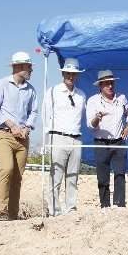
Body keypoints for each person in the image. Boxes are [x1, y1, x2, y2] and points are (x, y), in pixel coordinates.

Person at [0, 51, 38, 221]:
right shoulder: (0, 85)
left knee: (17, 177)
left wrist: (28, 127)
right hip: (3, 135)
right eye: (28, 66)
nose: (31, 69)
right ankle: (1, 211)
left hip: (23, 138)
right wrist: (12, 125)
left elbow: (33, 112)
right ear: (18, 67)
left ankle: (12, 214)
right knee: (7, 169)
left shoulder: (31, 90)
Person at [42, 58, 86, 216]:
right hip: (58, 137)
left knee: (73, 177)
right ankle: (55, 211)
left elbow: (80, 116)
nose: (71, 76)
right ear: (62, 73)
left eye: (74, 74)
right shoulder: (53, 91)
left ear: (77, 75)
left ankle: (71, 209)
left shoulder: (81, 95)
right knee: (56, 177)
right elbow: (45, 115)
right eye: (68, 73)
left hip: (76, 138)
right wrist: (48, 138)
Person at [86, 70, 128, 208]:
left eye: (111, 83)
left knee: (120, 174)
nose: (110, 86)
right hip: (101, 142)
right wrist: (97, 118)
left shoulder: (121, 98)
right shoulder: (93, 101)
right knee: (103, 177)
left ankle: (119, 205)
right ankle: (105, 206)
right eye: (106, 84)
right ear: (100, 85)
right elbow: (90, 125)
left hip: (119, 142)